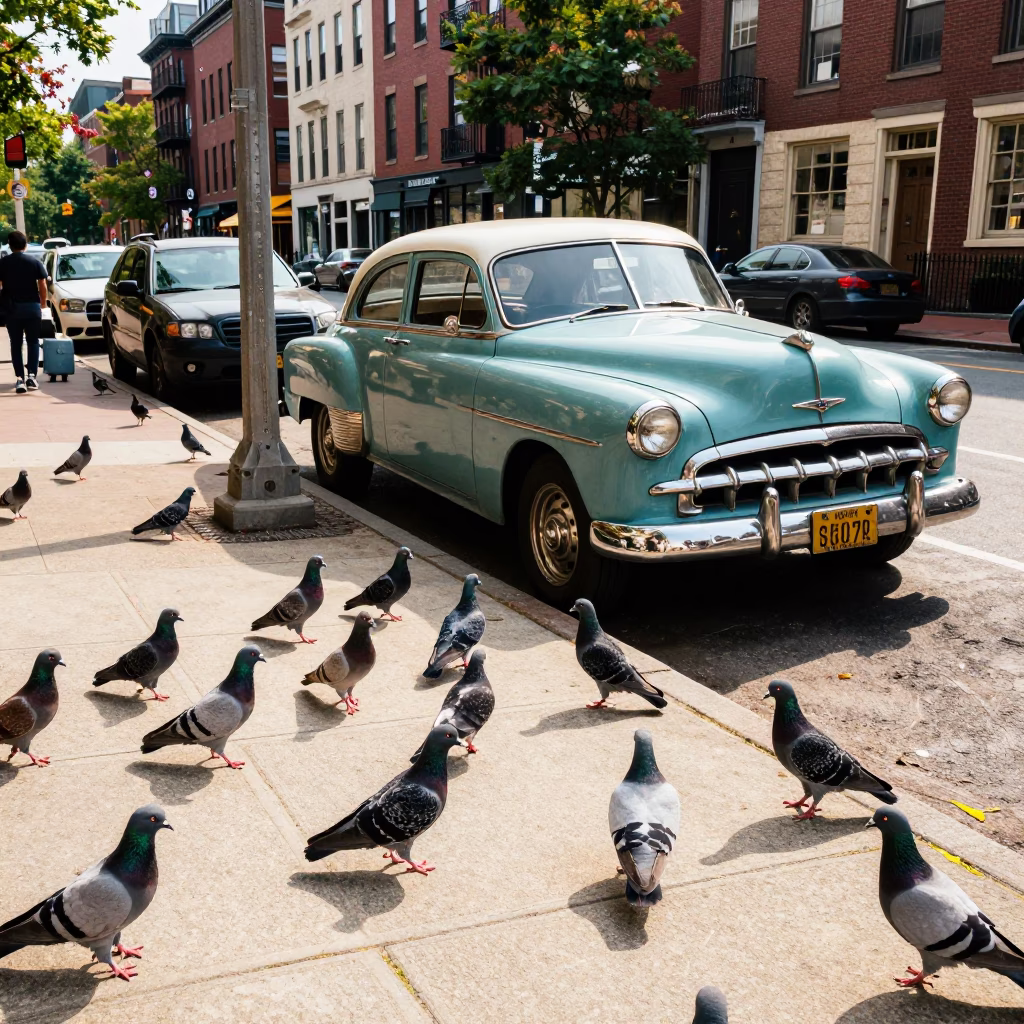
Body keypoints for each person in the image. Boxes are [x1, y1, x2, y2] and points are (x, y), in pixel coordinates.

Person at [0, 230, 48, 393]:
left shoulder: (3, 263)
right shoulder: (34, 262)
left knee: (16, 344)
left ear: (10, 245)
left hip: (11, 309)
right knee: (33, 342)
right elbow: (42, 284)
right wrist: (42, 304)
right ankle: (32, 376)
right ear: (25, 245)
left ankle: (19, 378)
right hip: (32, 308)